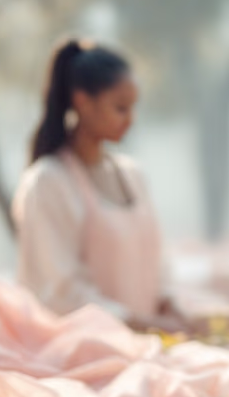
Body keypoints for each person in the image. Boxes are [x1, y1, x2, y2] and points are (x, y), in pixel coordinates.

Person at [12, 39, 184, 333]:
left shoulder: (132, 175)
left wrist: (169, 306)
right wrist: (138, 325)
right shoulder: (48, 183)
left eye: (133, 108)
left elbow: (157, 261)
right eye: (120, 108)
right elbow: (61, 293)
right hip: (85, 349)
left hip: (145, 343)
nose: (130, 119)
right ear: (82, 101)